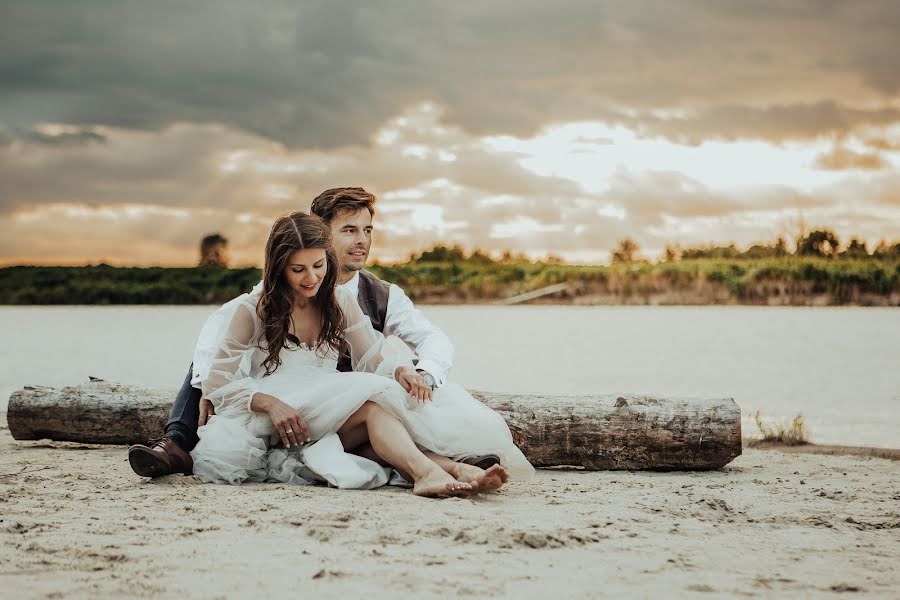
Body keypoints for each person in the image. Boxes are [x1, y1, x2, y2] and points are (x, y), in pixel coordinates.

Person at [129, 187, 494, 477]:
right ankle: (176, 443)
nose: (361, 241)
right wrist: (209, 389)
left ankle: (449, 462)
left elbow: (426, 341)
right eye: (349, 230)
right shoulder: (261, 299)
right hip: (293, 397)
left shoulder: (379, 294)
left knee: (399, 394)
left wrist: (421, 371)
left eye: (367, 230)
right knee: (206, 365)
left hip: (346, 393)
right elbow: (214, 342)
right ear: (320, 231)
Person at [187, 211, 532, 496]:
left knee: (375, 420)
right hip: (276, 417)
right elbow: (217, 384)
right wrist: (270, 403)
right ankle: (433, 472)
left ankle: (452, 469)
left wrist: (401, 372)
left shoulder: (338, 301)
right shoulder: (253, 311)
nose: (311, 278)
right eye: (298, 269)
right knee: (371, 406)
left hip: (324, 408)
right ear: (278, 268)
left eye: (318, 265)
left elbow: (374, 357)